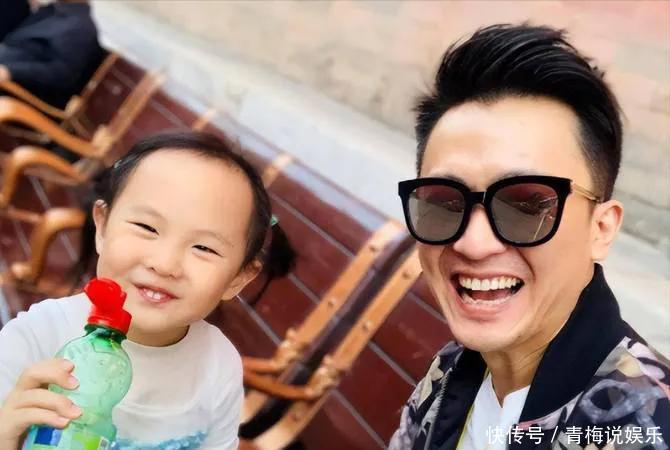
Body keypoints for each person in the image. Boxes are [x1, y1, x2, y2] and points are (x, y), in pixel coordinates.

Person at [390, 24, 669, 450]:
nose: (473, 244)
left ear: (601, 229)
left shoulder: (647, 424)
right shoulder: (451, 372)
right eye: (444, 202)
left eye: (527, 206)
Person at [0, 131, 296, 449]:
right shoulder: (38, 335)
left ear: (238, 277)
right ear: (102, 226)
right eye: (147, 227)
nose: (165, 264)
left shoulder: (219, 367)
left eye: (204, 248)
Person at [0, 0, 103, 108]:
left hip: (16, 94)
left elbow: (60, 74)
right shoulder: (54, 11)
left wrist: (11, 71)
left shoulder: (81, 28)